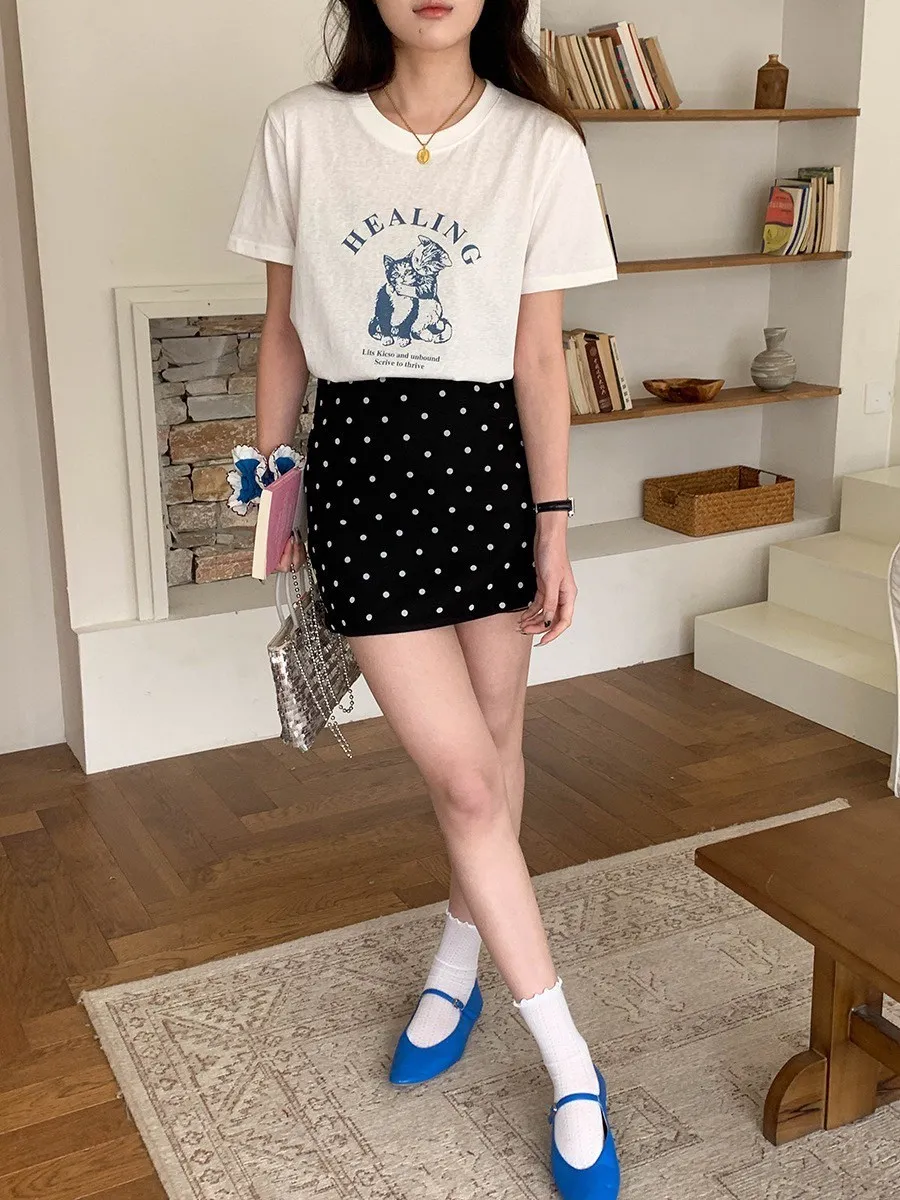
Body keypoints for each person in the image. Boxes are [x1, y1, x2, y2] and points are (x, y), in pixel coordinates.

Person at [226, 0, 619, 1193]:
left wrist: (555, 527)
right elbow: (283, 330)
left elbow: (540, 356)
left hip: (490, 474)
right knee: (465, 781)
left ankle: (456, 968)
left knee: (495, 753)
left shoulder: (541, 145)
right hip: (362, 479)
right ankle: (574, 1066)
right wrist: (274, 490)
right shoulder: (302, 131)